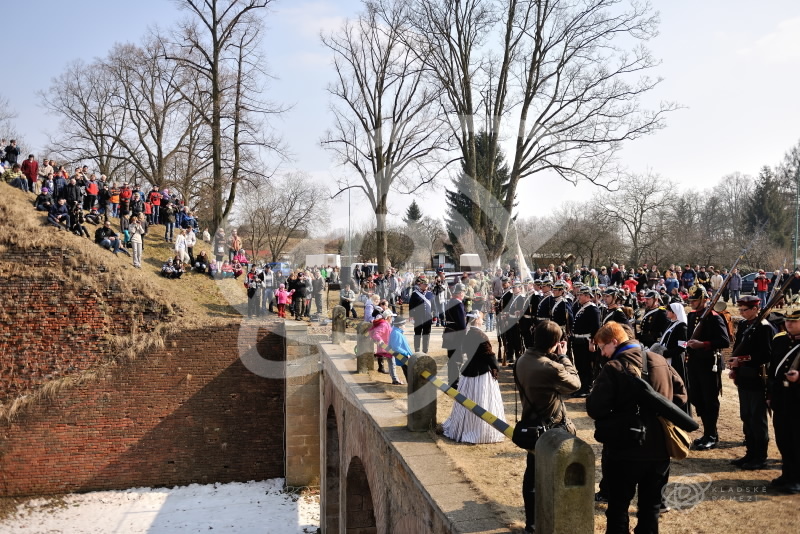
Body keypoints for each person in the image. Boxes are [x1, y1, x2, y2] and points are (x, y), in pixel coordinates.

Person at [587, 321, 674, 534]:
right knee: (650, 508)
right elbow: (680, 396)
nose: (603, 353)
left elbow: (595, 408)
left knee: (618, 508)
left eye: (603, 347)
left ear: (614, 342)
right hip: (659, 448)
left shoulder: (614, 367)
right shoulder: (660, 360)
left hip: (624, 450)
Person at [516, 320, 580, 533]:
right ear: (555, 342)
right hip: (552, 426)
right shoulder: (550, 366)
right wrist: (563, 356)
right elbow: (575, 384)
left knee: (531, 476)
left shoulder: (523, 359)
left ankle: (531, 524)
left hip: (530, 422)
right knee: (558, 475)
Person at [727, 295, 775, 470]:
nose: (741, 312)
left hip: (757, 377)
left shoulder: (764, 327)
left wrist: (742, 361)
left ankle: (760, 457)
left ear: (755, 309)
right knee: (746, 416)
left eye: (744, 309)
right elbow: (738, 348)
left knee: (756, 418)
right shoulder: (745, 325)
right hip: (744, 377)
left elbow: (767, 355)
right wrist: (735, 368)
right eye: (740, 309)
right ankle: (750, 452)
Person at [443, 310, 505, 443]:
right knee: (481, 399)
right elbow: (489, 355)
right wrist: (496, 367)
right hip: (481, 372)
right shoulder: (480, 335)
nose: (482, 321)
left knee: (468, 399)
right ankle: (479, 430)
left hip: (469, 370)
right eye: (481, 319)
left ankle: (466, 426)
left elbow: (465, 350)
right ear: (476, 320)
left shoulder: (467, 333)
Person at [685, 285, 730, 450]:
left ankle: (711, 434)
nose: (692, 303)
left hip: (709, 363)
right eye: (690, 300)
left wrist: (703, 344)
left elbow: (724, 341)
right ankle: (707, 432)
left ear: (703, 299)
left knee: (709, 399)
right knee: (697, 397)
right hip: (694, 362)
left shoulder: (714, 317)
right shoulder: (692, 316)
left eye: (695, 300)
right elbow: (689, 336)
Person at [767, 308, 800, 494]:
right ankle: (787, 474)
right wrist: (770, 395)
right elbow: (773, 371)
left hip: (798, 400)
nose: (789, 324)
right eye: (788, 321)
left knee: (797, 440)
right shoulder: (779, 340)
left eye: (794, 321)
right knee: (783, 439)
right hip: (781, 398)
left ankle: (797, 478)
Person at [572, 286, 601, 397]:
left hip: (586, 341)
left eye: (581, 295)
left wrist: (592, 342)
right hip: (578, 341)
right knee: (579, 365)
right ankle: (582, 386)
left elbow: (596, 327)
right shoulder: (583, 307)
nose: (579, 297)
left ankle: (587, 387)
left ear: (588, 296)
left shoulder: (592, 309)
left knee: (586, 365)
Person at [658, 302, 689, 400]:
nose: (666, 312)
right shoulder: (671, 323)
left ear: (674, 312)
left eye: (668, 310)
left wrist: (666, 353)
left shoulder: (682, 327)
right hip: (666, 357)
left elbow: (682, 347)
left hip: (675, 360)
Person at [443, 283, 468, 388]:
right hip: (457, 335)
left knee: (451, 358)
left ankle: (451, 380)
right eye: (463, 292)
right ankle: (455, 382)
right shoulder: (458, 304)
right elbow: (462, 324)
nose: (463, 295)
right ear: (460, 293)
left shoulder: (450, 302)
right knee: (457, 359)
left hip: (449, 333)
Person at [369, 309, 403, 385]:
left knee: (391, 363)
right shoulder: (384, 324)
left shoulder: (384, 323)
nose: (392, 319)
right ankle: (395, 379)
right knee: (392, 363)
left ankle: (394, 378)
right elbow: (376, 334)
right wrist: (380, 340)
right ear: (388, 317)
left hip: (387, 346)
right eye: (391, 317)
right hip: (387, 347)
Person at [409, 276, 433, 353]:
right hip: (418, 317)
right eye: (424, 284)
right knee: (417, 334)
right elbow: (411, 306)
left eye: (427, 284)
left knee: (427, 335)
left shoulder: (430, 294)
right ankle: (417, 350)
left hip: (428, 317)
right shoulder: (415, 294)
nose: (426, 286)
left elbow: (434, 305)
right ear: (420, 284)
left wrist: (435, 316)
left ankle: (425, 350)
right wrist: (411, 316)